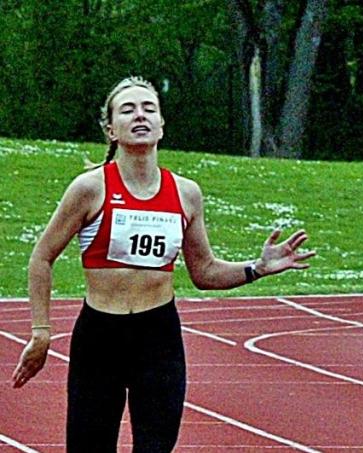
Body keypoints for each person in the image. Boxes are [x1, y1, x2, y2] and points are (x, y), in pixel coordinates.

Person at [10, 76, 315, 452]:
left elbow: (204, 272)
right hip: (100, 337)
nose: (140, 116)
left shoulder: (185, 194)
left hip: (158, 339)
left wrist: (257, 267)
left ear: (162, 124)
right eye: (128, 110)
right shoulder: (91, 188)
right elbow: (42, 257)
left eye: (148, 108)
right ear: (111, 130)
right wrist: (41, 331)